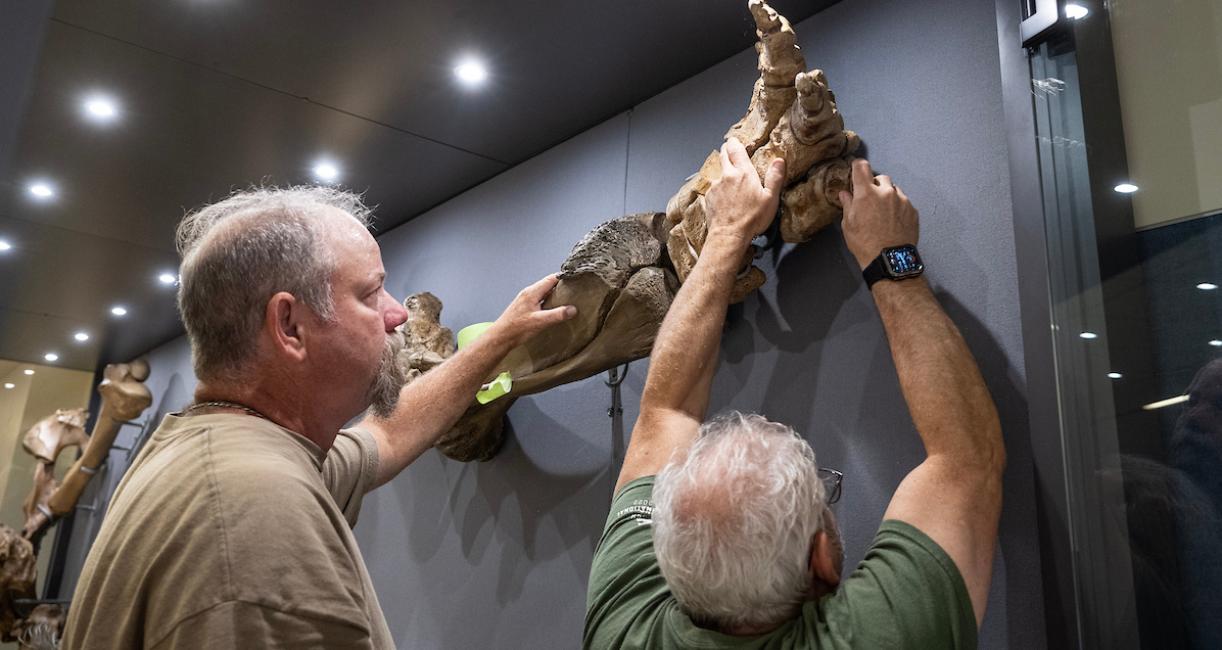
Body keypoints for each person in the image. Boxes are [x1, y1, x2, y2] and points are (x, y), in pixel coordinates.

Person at [62, 186, 576, 648]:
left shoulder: (237, 453)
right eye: (370, 293)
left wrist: (499, 340)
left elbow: (388, 434)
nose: (397, 314)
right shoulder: (259, 510)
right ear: (290, 325)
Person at [584, 139, 1005, 648]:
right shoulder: (879, 635)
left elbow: (665, 410)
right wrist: (889, 256)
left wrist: (725, 236)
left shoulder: (623, 628)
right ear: (822, 558)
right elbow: (965, 459)